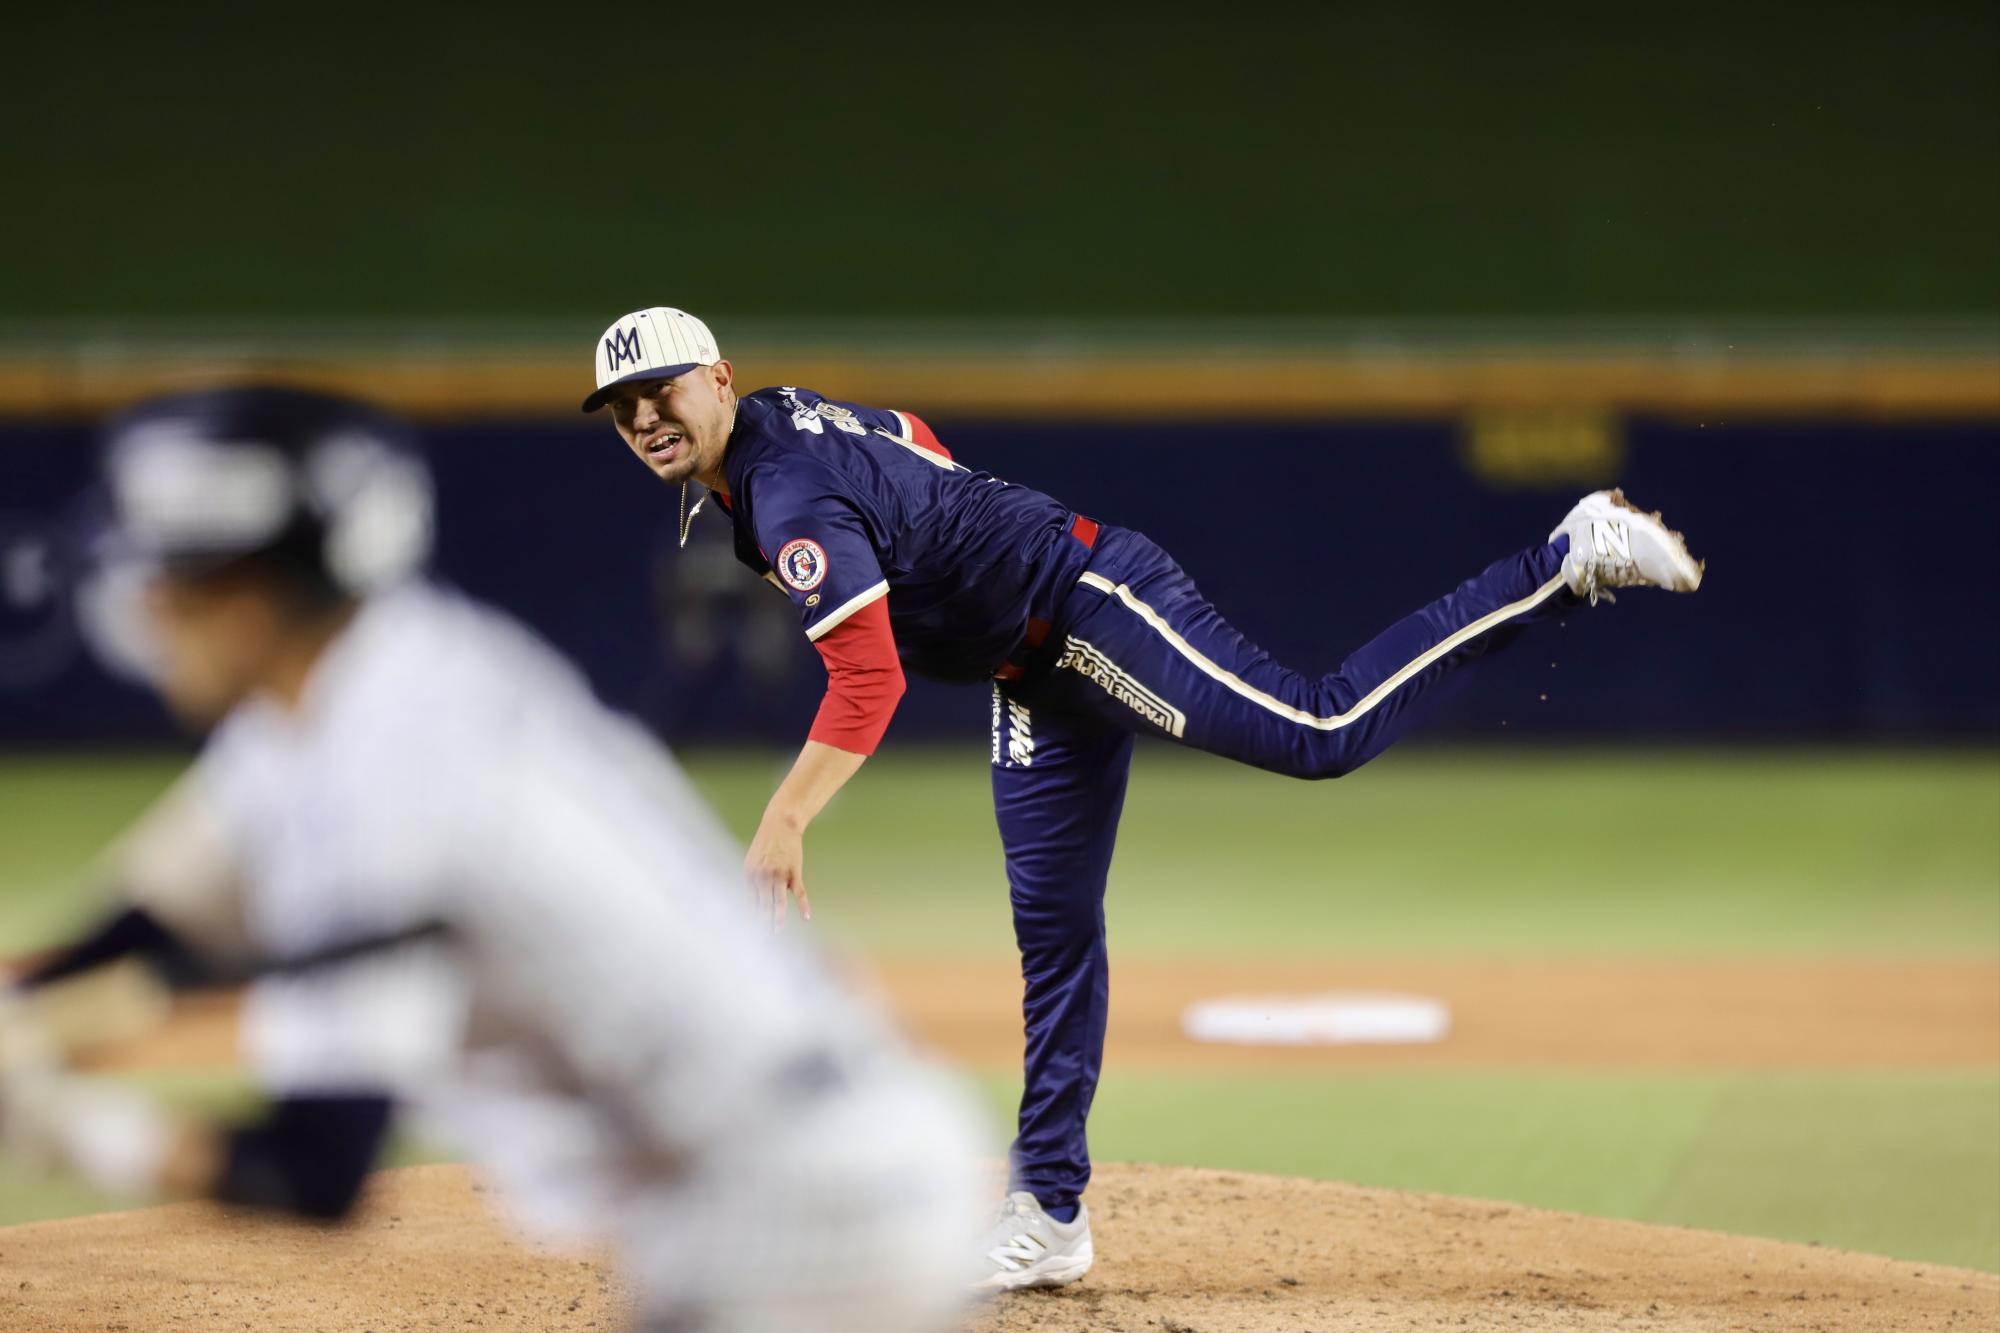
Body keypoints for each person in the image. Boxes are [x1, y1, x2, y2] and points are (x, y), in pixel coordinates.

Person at [581, 306, 1706, 1293]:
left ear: (716, 378)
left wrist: (781, 820)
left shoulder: (782, 491)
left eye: (660, 389)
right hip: (1027, 664)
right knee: (1053, 935)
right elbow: (912, 436)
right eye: (622, 406)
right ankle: (1048, 1214)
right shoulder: (777, 428)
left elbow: (867, 677)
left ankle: (1561, 560)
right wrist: (957, 526)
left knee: (1315, 730)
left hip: (1086, 600)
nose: (644, 419)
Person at [0, 385, 985, 1333]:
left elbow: (316, 1165)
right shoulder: (388, 671)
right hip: (824, 1167)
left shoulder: (386, 773)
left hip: (799, 1217)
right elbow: (153, 923)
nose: (147, 611)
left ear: (253, 594)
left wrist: (66, 1128)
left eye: (172, 578)